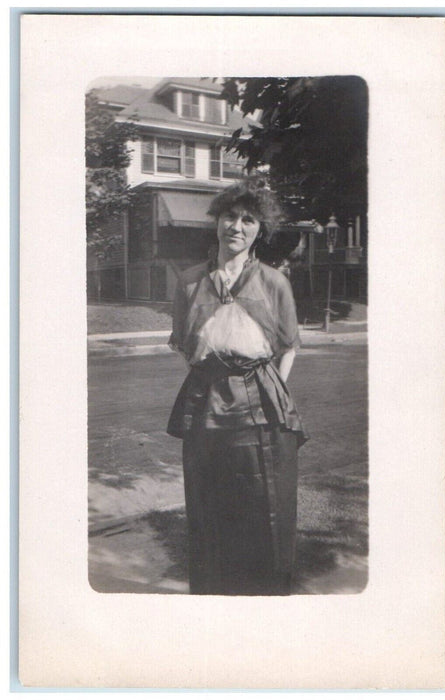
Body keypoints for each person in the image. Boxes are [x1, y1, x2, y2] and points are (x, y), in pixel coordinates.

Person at [167, 177, 308, 595]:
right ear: (216, 222)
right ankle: (213, 596)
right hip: (205, 398)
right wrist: (211, 369)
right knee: (209, 500)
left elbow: (288, 346)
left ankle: (266, 593)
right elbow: (183, 344)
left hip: (262, 398)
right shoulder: (190, 281)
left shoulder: (273, 282)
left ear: (259, 230)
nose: (237, 226)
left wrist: (270, 388)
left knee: (265, 500)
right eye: (230, 216)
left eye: (249, 220)